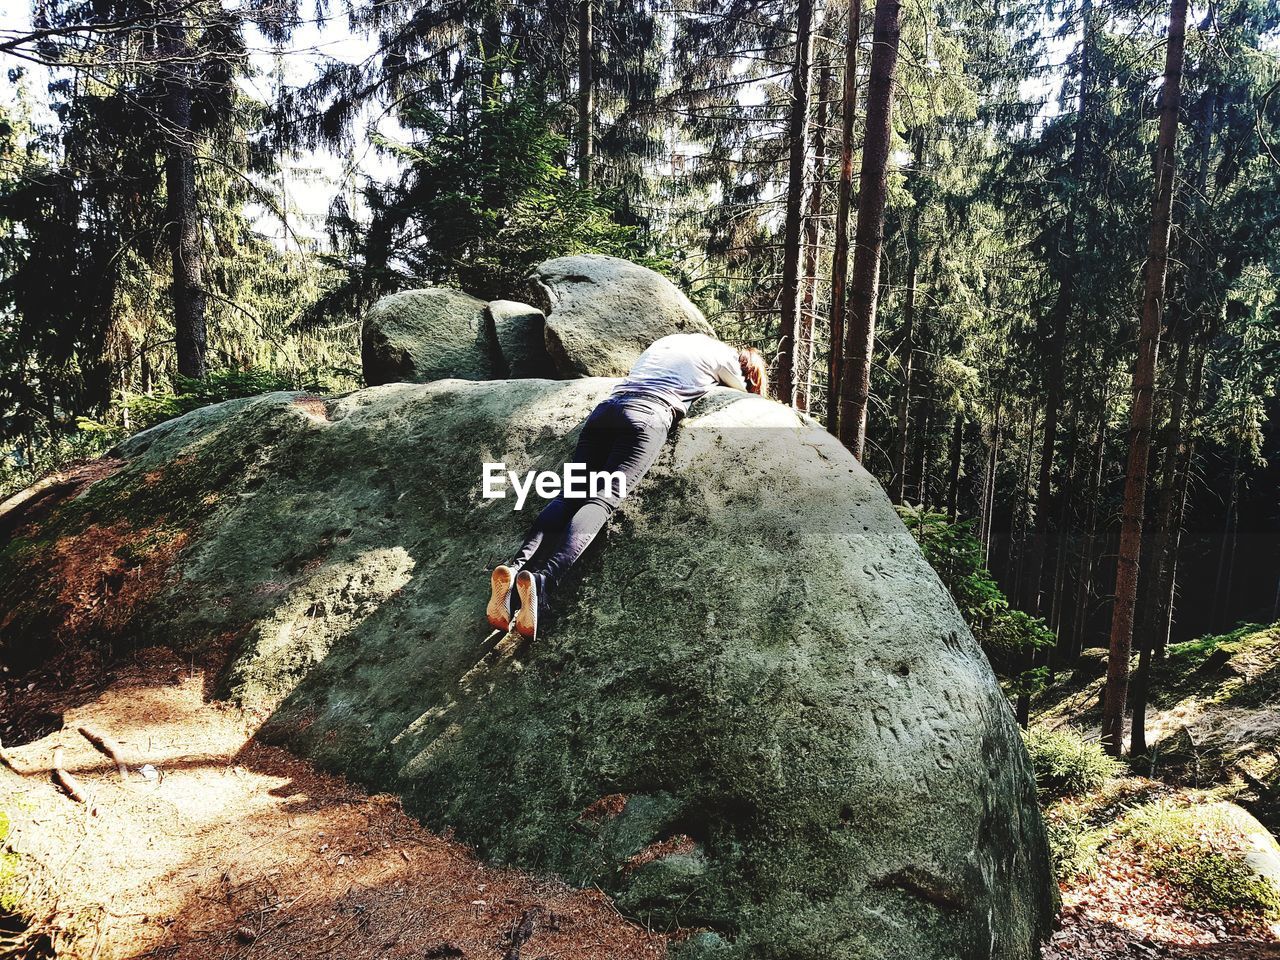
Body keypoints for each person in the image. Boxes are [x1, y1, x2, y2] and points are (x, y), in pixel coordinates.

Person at [487, 333, 769, 641]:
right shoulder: (729, 359)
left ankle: (515, 570)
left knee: (570, 494)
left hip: (606, 410)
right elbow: (746, 395)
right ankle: (542, 582)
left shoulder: (672, 342)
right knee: (600, 501)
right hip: (647, 415)